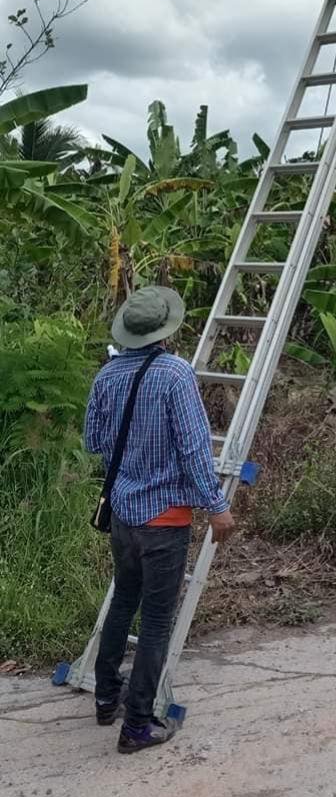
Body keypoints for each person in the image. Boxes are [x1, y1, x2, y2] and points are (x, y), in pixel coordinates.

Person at [84, 285, 235, 754]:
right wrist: (216, 506)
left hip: (124, 516)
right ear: (166, 330)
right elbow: (194, 448)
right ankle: (137, 727)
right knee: (155, 622)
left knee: (123, 601)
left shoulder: (107, 375)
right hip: (165, 519)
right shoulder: (175, 375)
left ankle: (106, 697)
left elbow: (92, 441)